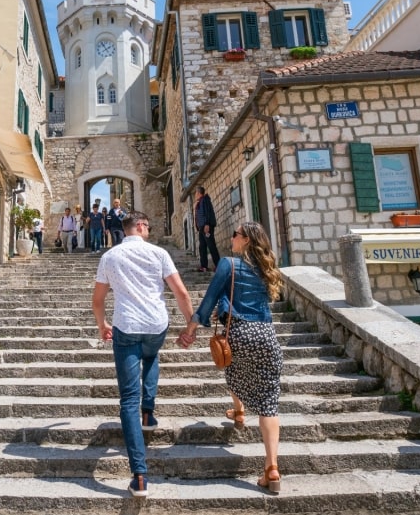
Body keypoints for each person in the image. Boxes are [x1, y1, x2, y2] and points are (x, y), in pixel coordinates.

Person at [92, 212, 195, 498]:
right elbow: (182, 293)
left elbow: (98, 299)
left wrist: (102, 325)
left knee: (127, 399)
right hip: (155, 325)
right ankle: (148, 412)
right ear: (139, 226)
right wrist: (190, 326)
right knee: (150, 357)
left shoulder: (110, 257)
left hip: (126, 326)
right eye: (147, 225)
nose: (149, 229)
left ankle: (139, 476)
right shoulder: (159, 253)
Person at [177, 222, 284, 494]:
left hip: (238, 331)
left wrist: (191, 328)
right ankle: (272, 467)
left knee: (231, 368)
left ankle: (239, 410)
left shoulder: (228, 264)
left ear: (246, 240)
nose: (232, 237)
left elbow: (210, 298)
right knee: (269, 403)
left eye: (236, 234)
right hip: (266, 335)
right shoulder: (266, 269)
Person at [194, 186, 221, 272]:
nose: (195, 195)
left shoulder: (205, 200)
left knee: (211, 245)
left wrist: (207, 224)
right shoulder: (200, 201)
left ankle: (218, 265)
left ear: (199, 193)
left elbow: (207, 212)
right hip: (202, 227)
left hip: (206, 226)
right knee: (202, 247)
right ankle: (204, 266)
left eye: (195, 193)